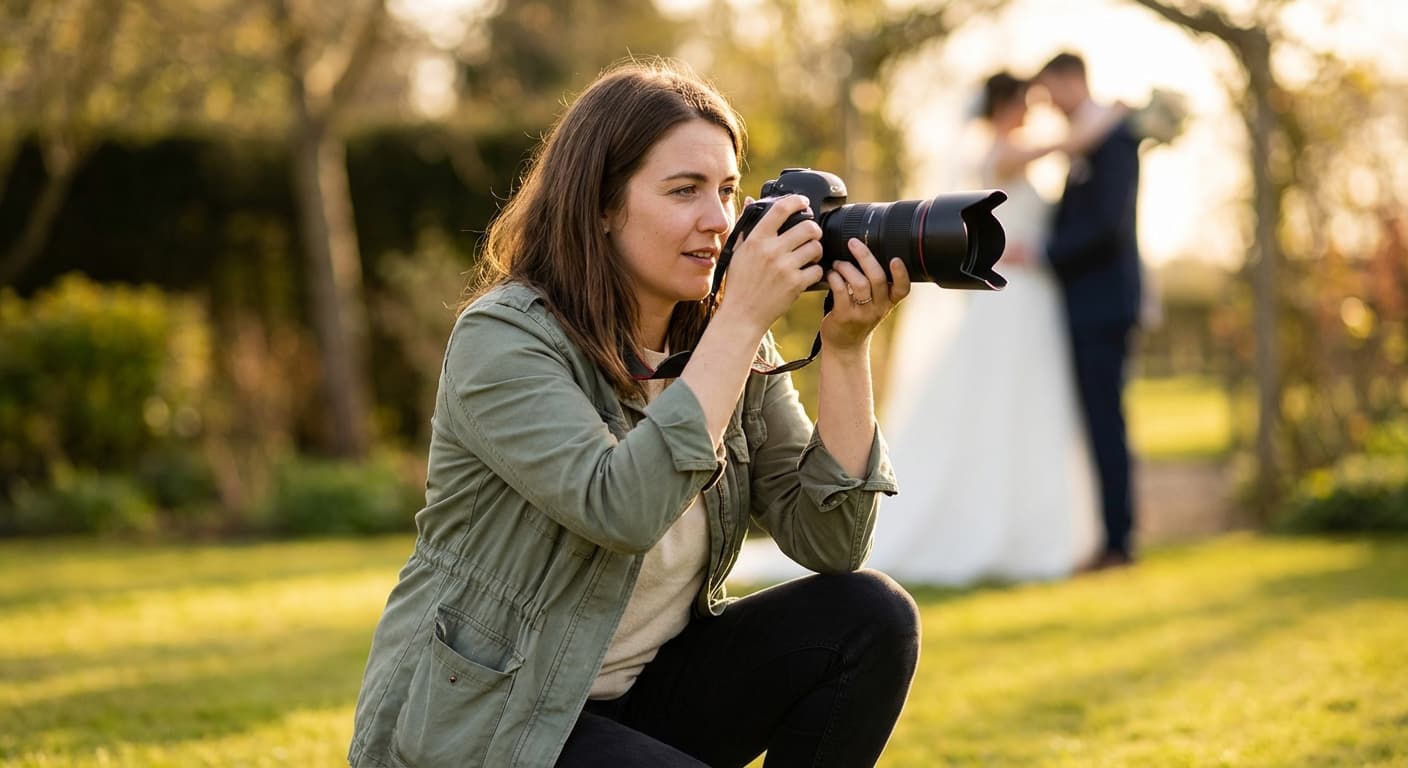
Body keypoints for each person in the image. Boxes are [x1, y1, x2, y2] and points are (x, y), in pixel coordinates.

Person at [346, 58, 920, 768]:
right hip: (498, 722)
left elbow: (831, 542)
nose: (718, 222)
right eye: (684, 191)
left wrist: (844, 350)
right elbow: (621, 508)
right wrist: (739, 323)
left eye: (728, 190)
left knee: (869, 617)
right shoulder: (505, 337)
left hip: (644, 697)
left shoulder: (726, 336)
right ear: (600, 206)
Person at [856, 71, 1124, 586]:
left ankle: (1039, 531)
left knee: (1034, 410)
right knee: (1001, 406)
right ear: (1005, 106)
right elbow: (1073, 141)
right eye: (1024, 101)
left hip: (1031, 300)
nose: (1030, 111)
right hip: (1009, 299)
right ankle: (991, 530)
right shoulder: (999, 154)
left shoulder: (1006, 152)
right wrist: (1117, 113)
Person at [1033, 51, 1145, 570]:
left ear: (1072, 80)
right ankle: (1106, 534)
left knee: (1107, 421)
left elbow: (1106, 225)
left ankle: (1119, 542)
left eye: (1051, 90)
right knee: (1094, 420)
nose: (1049, 103)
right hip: (1083, 304)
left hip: (1104, 304)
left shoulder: (1116, 139)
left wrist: (1044, 255)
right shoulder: (1087, 141)